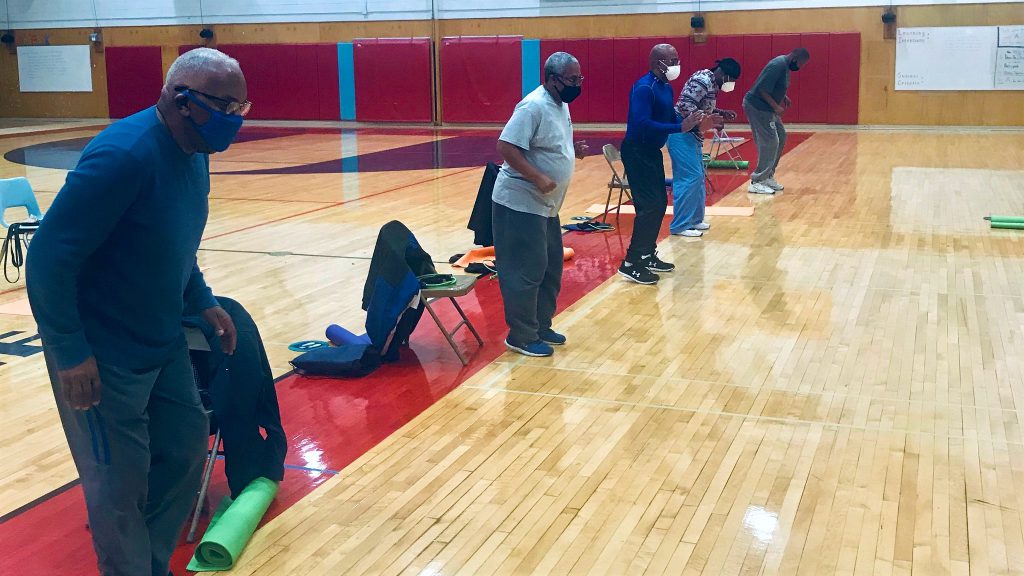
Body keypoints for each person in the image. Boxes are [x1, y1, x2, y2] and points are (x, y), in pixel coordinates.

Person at [25, 47, 247, 576]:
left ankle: (146, 566)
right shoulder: (123, 156)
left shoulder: (194, 154)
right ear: (180, 99)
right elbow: (49, 259)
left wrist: (202, 299)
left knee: (186, 451)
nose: (235, 121)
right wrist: (70, 351)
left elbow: (173, 243)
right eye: (225, 106)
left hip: (161, 339)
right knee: (118, 485)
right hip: (102, 357)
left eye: (242, 107)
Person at [493, 51, 587, 357]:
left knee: (550, 267)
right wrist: (537, 177)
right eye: (573, 79)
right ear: (552, 78)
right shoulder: (532, 106)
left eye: (579, 78)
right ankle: (521, 335)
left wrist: (572, 151)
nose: (578, 83)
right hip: (521, 203)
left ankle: (540, 326)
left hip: (547, 206)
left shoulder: (561, 104)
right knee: (526, 269)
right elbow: (506, 146)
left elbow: (546, 145)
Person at [619, 44, 714, 285]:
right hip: (637, 152)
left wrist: (690, 121)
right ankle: (632, 262)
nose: (675, 64)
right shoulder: (644, 88)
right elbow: (642, 124)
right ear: (657, 62)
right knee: (648, 206)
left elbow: (670, 116)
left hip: (652, 152)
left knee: (659, 204)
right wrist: (678, 128)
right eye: (671, 60)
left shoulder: (665, 87)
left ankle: (647, 253)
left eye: (677, 59)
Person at [667, 58, 740, 237]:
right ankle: (680, 225)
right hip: (680, 133)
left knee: (698, 178)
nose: (731, 84)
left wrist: (720, 113)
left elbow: (702, 107)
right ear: (723, 73)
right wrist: (707, 122)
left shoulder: (712, 83)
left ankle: (695, 220)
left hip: (692, 135)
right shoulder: (703, 80)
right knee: (689, 178)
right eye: (731, 79)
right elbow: (685, 106)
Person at [743, 48, 810, 195]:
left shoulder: (785, 67)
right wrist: (776, 106)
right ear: (794, 58)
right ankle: (758, 180)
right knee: (770, 141)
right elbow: (762, 89)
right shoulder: (777, 65)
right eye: (800, 64)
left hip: (768, 108)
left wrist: (783, 97)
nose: (799, 68)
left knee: (781, 136)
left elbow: (775, 86)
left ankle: (768, 176)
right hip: (758, 107)